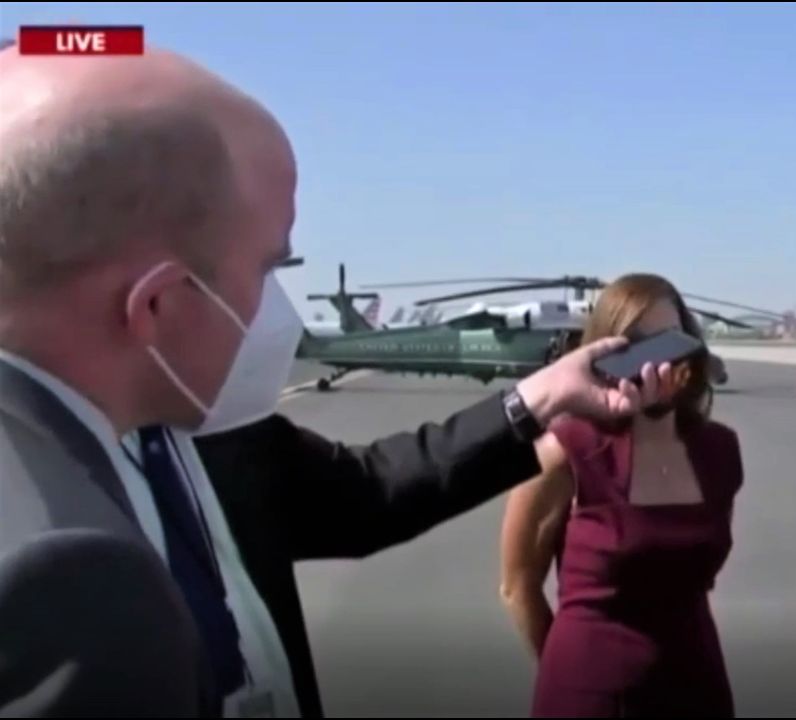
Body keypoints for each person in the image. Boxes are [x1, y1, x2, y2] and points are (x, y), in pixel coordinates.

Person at [0, 46, 667, 717]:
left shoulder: (214, 430)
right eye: (266, 268)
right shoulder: (48, 567)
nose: (278, 314)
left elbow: (368, 492)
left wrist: (540, 397)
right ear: (157, 304)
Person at [499, 273, 744, 718]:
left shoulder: (719, 452)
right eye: (638, 345)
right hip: (590, 695)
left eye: (671, 341)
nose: (658, 365)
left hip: (698, 687)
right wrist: (568, 674)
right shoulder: (562, 452)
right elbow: (518, 587)